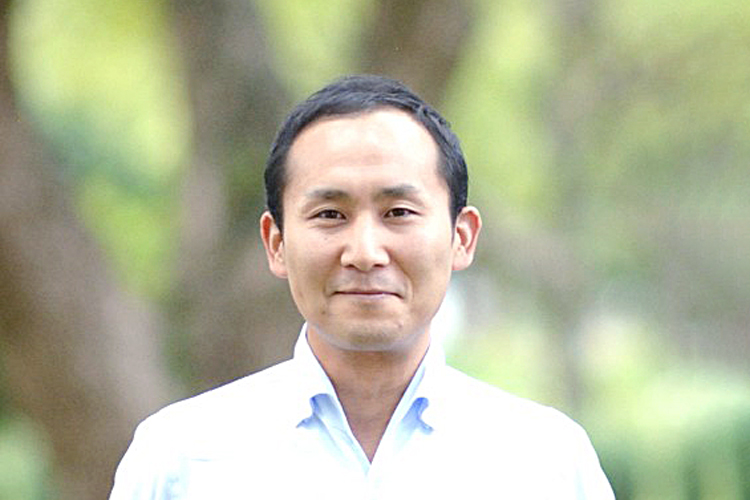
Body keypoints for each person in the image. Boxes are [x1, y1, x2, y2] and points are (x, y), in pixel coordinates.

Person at [110, 75, 615, 499]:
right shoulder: (181, 460)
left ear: (461, 237)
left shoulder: (547, 463)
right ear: (276, 243)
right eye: (330, 214)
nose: (366, 252)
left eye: (399, 212)